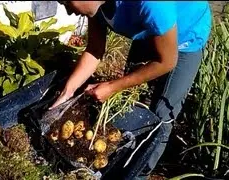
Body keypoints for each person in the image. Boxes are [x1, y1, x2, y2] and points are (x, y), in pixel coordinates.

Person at [51, 1, 211, 179]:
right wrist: (67, 92)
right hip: (150, 28)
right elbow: (95, 49)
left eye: (67, 1)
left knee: (161, 116)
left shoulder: (152, 5)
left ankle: (138, 173)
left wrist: (112, 86)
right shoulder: (94, 5)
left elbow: (167, 61)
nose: (68, 11)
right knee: (130, 101)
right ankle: (116, 158)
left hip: (185, 37)